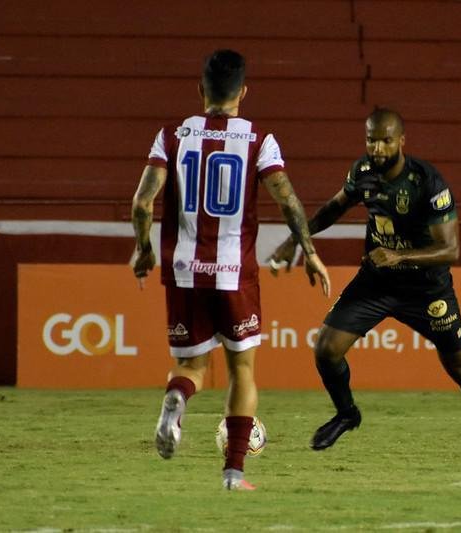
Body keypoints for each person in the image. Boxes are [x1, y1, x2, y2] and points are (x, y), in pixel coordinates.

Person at [131, 49, 331, 491]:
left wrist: (143, 249)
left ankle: (177, 398)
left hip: (183, 271)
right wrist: (309, 251)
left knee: (191, 367)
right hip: (234, 273)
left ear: (201, 90)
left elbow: (143, 202)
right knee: (242, 372)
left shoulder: (172, 135)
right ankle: (233, 474)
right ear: (243, 91)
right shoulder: (259, 140)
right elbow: (288, 200)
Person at [267, 108, 461, 455]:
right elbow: (333, 209)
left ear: (401, 141)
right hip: (377, 283)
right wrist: (295, 239)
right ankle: (347, 413)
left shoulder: (428, 182)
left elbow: (450, 249)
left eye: (385, 140)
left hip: (427, 289)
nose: (377, 148)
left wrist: (399, 256)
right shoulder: (362, 172)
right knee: (326, 348)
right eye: (371, 140)